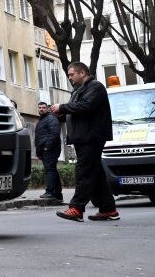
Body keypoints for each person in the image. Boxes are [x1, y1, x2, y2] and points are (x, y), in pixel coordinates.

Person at [51, 62, 118, 222]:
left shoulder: (95, 87)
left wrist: (63, 107)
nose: (69, 78)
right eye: (68, 75)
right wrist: (61, 114)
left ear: (82, 73)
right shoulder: (78, 91)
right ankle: (109, 209)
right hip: (82, 137)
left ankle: (76, 208)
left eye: (71, 74)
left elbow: (86, 106)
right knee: (96, 174)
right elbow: (76, 110)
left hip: (92, 137)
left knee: (84, 171)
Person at [35, 101, 63, 201]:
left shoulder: (51, 118)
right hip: (45, 150)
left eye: (43, 107)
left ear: (47, 108)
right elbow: (39, 138)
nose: (41, 109)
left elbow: (55, 133)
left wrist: (47, 147)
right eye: (39, 107)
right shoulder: (42, 120)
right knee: (52, 170)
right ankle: (58, 195)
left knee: (50, 170)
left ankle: (50, 192)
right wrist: (39, 152)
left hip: (50, 149)